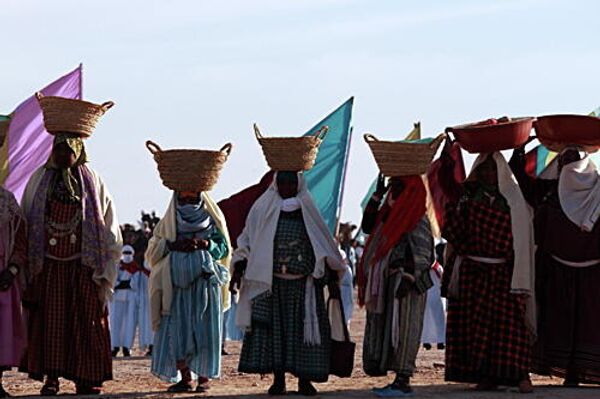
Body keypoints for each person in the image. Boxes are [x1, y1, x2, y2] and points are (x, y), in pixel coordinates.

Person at [21, 94, 122, 396]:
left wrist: (105, 263)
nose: (63, 154)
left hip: (83, 267)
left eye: (68, 149)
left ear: (79, 150)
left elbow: (108, 222)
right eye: (58, 149)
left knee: (87, 322)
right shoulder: (40, 180)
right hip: (50, 266)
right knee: (50, 323)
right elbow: (27, 218)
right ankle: (52, 379)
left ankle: (85, 378)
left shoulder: (92, 180)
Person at [231, 171, 346, 396]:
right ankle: (279, 380)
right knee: (276, 334)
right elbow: (247, 239)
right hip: (273, 285)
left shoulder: (308, 212)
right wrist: (239, 265)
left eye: (291, 182)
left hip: (304, 287)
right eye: (282, 181)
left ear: (299, 184)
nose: (286, 186)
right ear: (276, 184)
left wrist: (331, 275)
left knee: (304, 333)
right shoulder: (262, 210)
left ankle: (304, 381)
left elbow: (323, 244)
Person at [439, 145, 535, 393]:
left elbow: (521, 241)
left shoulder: (513, 200)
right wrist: (447, 161)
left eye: (493, 170)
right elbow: (449, 190)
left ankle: (519, 374)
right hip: (474, 274)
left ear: (500, 172)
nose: (488, 174)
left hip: (503, 275)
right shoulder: (468, 197)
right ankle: (484, 375)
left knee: (509, 326)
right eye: (483, 169)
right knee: (476, 327)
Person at [510, 144, 600, 386]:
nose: (563, 166)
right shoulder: (552, 191)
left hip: (592, 276)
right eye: (563, 161)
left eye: (568, 161)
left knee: (590, 325)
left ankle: (581, 373)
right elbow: (523, 186)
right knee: (562, 322)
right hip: (559, 272)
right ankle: (570, 374)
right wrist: (518, 151)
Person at [147, 190, 231, 393]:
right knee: (179, 331)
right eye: (182, 198)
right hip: (176, 288)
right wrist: (172, 244)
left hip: (204, 285)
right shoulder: (170, 221)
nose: (186, 202)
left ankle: (203, 378)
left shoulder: (211, 219)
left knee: (204, 330)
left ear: (200, 198)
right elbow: (154, 248)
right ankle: (186, 378)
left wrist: (205, 244)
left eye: (191, 198)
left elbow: (224, 247)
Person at [359, 173, 435, 397]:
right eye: (393, 186)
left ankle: (403, 380)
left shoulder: (416, 217)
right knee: (389, 329)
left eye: (399, 187)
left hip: (408, 283)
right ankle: (394, 378)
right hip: (389, 280)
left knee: (405, 328)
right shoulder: (389, 214)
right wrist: (376, 197)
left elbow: (423, 253)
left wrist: (409, 278)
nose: (395, 191)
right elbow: (367, 227)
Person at [0, 187, 28, 398]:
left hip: (3, 278)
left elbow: (21, 241)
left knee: (2, 331)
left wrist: (12, 270)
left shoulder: (8, 202)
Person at [110, 245, 141, 357]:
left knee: (129, 323)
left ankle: (127, 347)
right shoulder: (118, 266)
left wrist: (127, 283)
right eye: (125, 252)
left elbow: (136, 283)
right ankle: (115, 346)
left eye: (129, 253)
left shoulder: (135, 268)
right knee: (115, 323)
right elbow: (113, 280)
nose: (127, 255)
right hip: (117, 297)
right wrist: (120, 284)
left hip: (130, 298)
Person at [421, 243, 446, 351]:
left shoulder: (424, 268)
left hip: (427, 297)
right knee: (438, 319)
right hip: (436, 298)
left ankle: (427, 342)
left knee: (426, 320)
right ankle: (440, 341)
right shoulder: (438, 267)